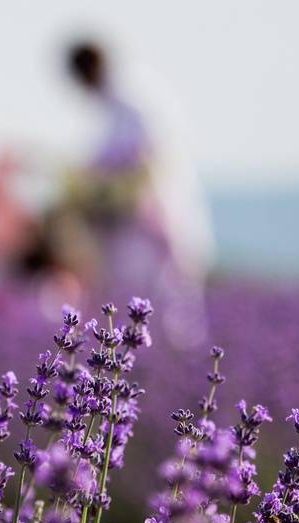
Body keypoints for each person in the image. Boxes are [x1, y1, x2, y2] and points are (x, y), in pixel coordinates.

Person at [65, 40, 213, 349]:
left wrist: (102, 185)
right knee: (144, 299)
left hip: (152, 216)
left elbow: (146, 159)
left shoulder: (131, 99)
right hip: (136, 218)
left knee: (164, 299)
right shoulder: (121, 100)